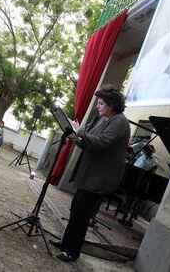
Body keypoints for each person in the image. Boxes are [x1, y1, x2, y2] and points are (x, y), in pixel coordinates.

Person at [51, 85, 130, 262]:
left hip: (99, 178)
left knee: (81, 214)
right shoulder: (103, 119)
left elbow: (101, 143)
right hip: (89, 174)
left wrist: (80, 132)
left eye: (101, 103)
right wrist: (77, 136)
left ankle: (72, 252)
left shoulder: (119, 122)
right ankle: (66, 243)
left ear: (111, 105)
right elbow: (88, 142)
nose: (97, 106)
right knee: (76, 210)